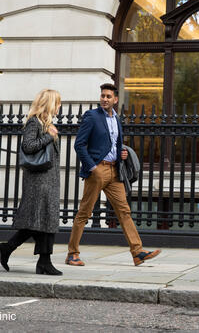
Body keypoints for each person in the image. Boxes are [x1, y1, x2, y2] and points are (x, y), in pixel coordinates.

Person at [66, 83, 161, 267]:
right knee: (84, 213)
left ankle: (137, 252)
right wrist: (92, 167)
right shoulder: (92, 116)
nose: (105, 99)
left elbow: (114, 144)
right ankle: (72, 254)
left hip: (114, 171)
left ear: (115, 100)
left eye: (109, 96)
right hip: (98, 170)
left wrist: (121, 154)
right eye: (103, 95)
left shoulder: (117, 119)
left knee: (124, 211)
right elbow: (79, 145)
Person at [0, 89, 63, 275]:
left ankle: (18, 252)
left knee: (43, 220)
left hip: (49, 180)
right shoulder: (34, 122)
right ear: (49, 104)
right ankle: (42, 261)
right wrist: (49, 135)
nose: (59, 106)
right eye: (57, 102)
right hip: (38, 181)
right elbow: (28, 146)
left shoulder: (48, 123)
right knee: (39, 220)